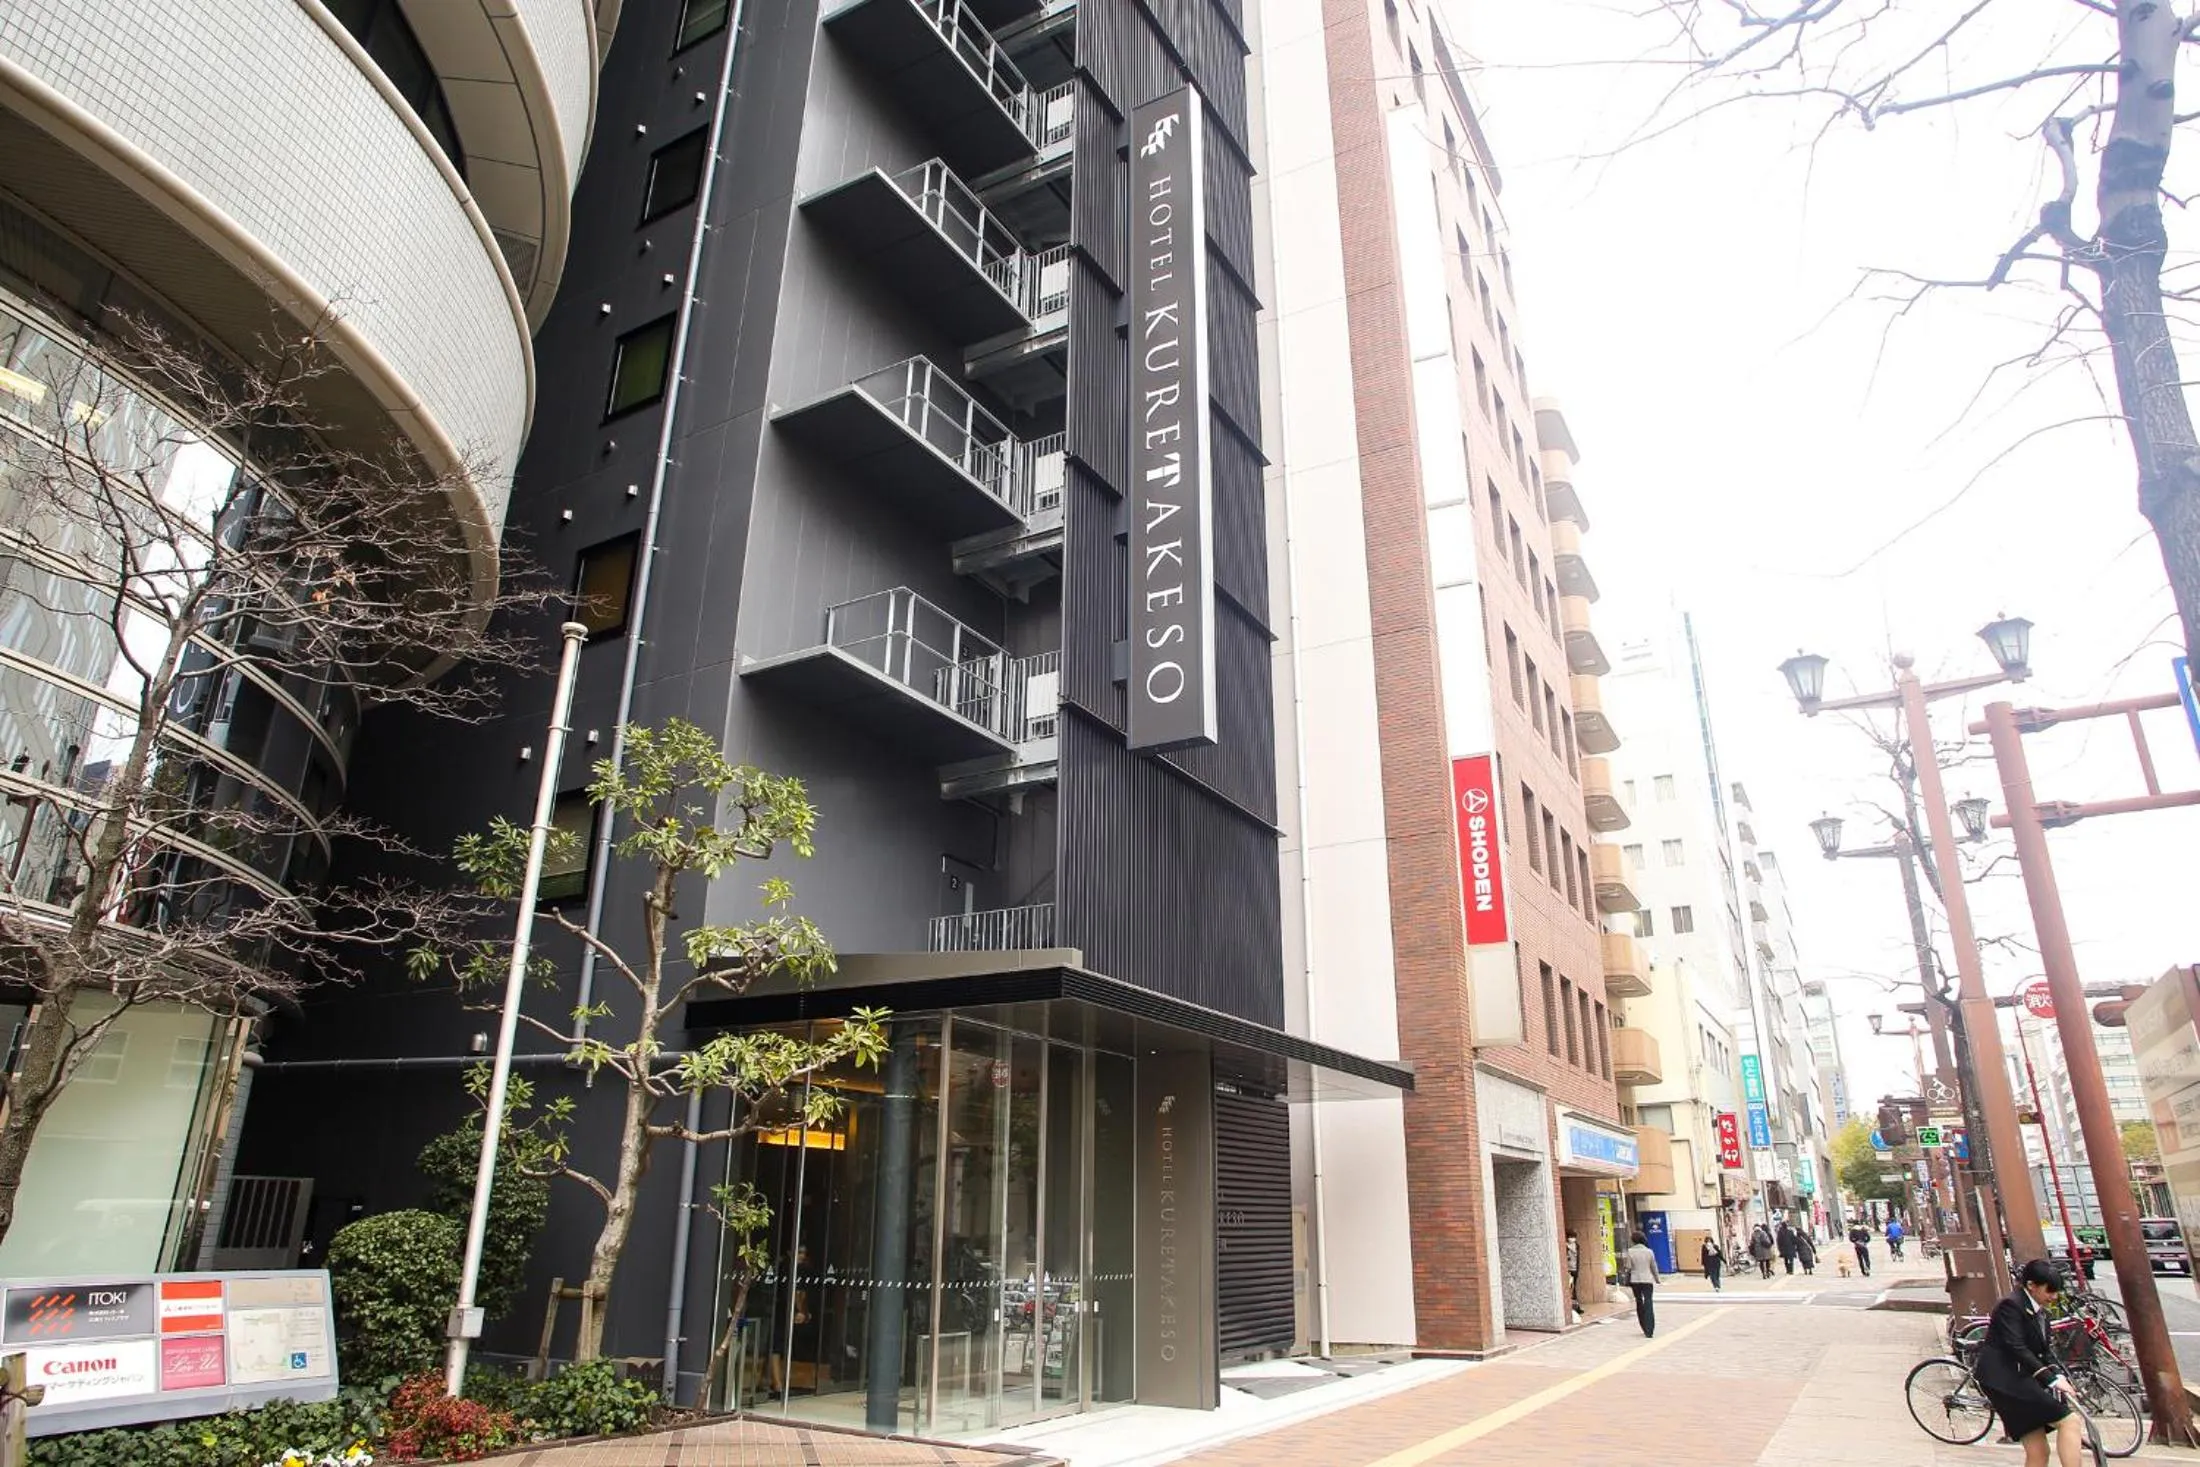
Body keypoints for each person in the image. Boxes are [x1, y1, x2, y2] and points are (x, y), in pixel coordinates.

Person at [1975, 1259, 2087, 1467]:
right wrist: (2051, 1380)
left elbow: (2044, 1350)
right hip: (2004, 1380)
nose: (2053, 1297)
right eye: (2049, 1291)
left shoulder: (2039, 1309)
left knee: (2039, 1451)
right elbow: (2017, 1347)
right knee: (2069, 1421)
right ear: (2031, 1286)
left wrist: (2058, 1375)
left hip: (2015, 1378)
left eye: (2056, 1291)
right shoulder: (2011, 1305)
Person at [1624, 1229, 1660, 1337]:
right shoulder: (1649, 1251)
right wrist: (1657, 1279)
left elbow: (1628, 1267)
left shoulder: (1630, 1251)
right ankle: (1650, 1329)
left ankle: (1643, 1326)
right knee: (1648, 1302)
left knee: (1639, 1302)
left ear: (1633, 1240)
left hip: (1635, 1280)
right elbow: (1653, 1267)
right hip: (1647, 1280)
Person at [1565, 1230, 1582, 1318]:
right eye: (1571, 1236)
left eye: (1573, 1237)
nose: (1572, 1239)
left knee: (1573, 1288)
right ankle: (1574, 1307)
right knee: (1570, 1289)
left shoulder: (1577, 1245)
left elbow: (1577, 1259)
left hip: (1575, 1269)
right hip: (1568, 1270)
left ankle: (1576, 1307)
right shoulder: (1564, 1246)